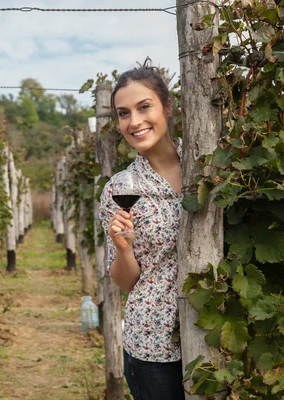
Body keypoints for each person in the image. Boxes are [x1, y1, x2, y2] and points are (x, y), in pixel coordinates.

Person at [99, 63, 185, 400]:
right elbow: (125, 282)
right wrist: (122, 248)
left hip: (219, 327)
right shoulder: (121, 188)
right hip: (154, 344)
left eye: (143, 107)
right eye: (123, 113)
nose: (134, 122)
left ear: (167, 106)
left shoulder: (210, 165)